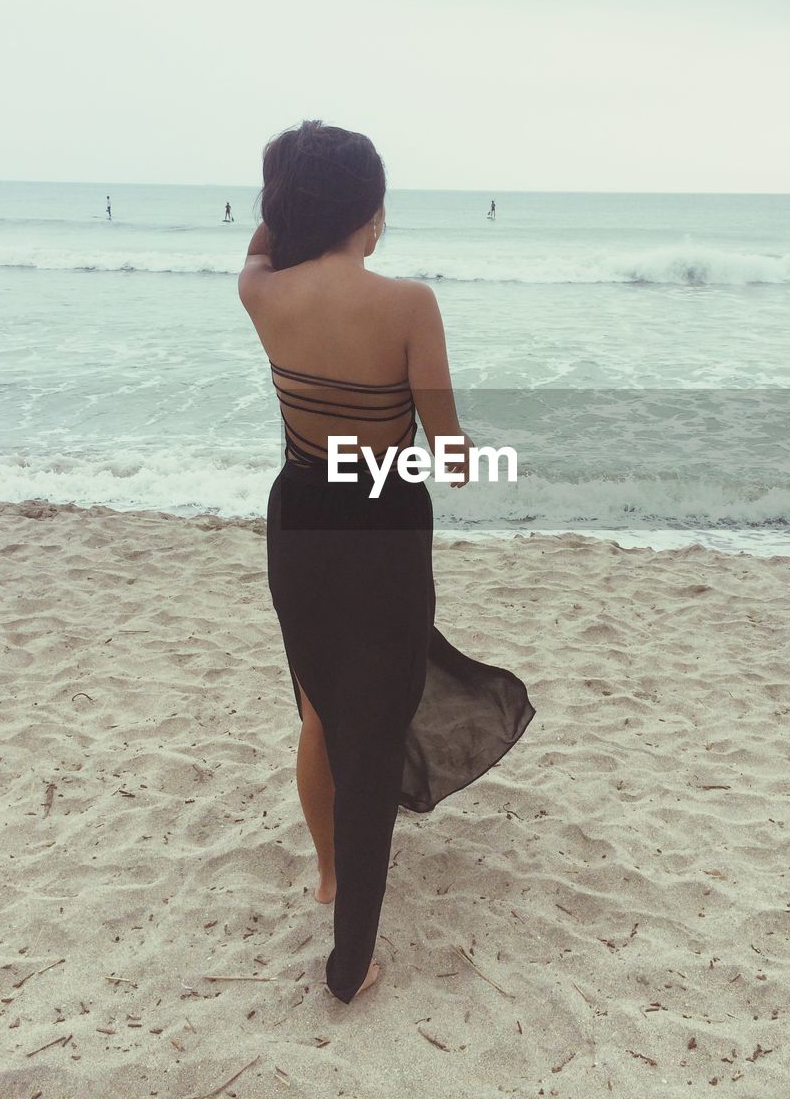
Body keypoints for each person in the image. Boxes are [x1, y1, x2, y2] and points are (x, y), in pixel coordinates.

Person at [238, 120, 534, 1004]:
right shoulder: (408, 305)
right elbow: (445, 455)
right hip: (382, 527)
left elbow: (259, 244)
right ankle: (350, 960)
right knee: (375, 731)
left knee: (323, 715)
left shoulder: (261, 291)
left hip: (301, 521)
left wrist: (287, 192)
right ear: (367, 212)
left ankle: (330, 875)